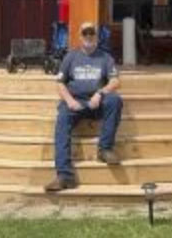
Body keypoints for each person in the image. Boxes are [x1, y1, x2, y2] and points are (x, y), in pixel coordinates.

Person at [44, 21, 123, 192]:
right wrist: (70, 101)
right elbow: (59, 83)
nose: (88, 37)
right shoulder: (70, 57)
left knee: (115, 100)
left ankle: (105, 149)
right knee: (62, 119)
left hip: (96, 102)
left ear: (97, 37)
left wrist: (100, 93)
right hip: (75, 102)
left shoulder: (105, 57)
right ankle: (65, 176)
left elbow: (116, 81)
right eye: (85, 34)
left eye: (91, 34)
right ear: (80, 37)